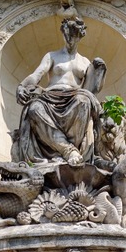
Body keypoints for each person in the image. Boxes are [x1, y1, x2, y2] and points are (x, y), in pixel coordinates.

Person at [12, 17, 106, 166]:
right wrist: (22, 86)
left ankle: (70, 150)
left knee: (84, 101)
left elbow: (91, 90)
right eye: (66, 36)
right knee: (34, 108)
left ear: (79, 37)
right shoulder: (52, 56)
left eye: (73, 36)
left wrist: (99, 71)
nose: (69, 40)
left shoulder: (85, 62)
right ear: (63, 35)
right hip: (50, 97)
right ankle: (68, 151)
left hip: (74, 97)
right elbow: (37, 74)